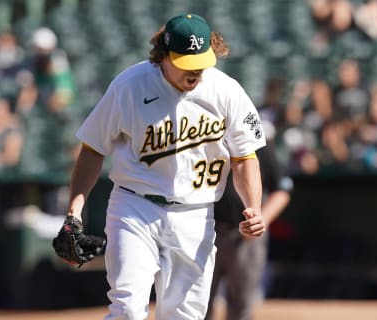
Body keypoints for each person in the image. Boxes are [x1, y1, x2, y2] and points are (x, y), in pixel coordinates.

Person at [57, 13, 266, 320]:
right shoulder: (130, 85)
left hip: (195, 213)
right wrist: (74, 212)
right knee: (127, 309)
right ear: (163, 56)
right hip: (134, 207)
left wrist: (254, 207)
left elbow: (245, 157)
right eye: (186, 63)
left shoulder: (227, 91)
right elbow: (92, 149)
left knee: (183, 316)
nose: (195, 71)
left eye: (201, 61)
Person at [205, 129, 292, 320]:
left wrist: (260, 220)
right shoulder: (205, 139)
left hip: (245, 237)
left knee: (242, 302)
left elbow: (282, 191)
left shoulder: (259, 145)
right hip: (206, 232)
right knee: (199, 300)